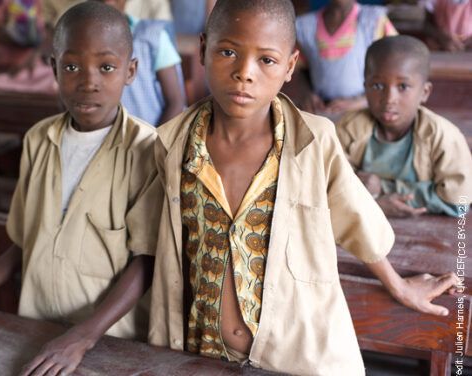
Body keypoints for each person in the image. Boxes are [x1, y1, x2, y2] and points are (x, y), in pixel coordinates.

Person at [148, 0, 459, 374]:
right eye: (228, 51)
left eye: (266, 60)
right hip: (200, 356)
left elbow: (356, 221)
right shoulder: (172, 146)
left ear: (290, 66)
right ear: (202, 50)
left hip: (293, 358)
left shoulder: (313, 142)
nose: (244, 73)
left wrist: (400, 286)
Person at [0, 3, 162, 376]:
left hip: (110, 342)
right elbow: (30, 233)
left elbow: (146, 261)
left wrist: (82, 337)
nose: (88, 81)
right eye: (72, 67)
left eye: (106, 67)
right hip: (39, 329)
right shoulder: (39, 140)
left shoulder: (147, 150)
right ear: (53, 68)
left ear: (130, 70)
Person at [336, 35, 472, 218]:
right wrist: (375, 205)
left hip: (427, 233)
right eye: (377, 85)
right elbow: (331, 185)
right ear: (365, 87)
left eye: (403, 87)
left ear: (424, 92)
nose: (389, 99)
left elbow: (460, 202)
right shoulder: (349, 129)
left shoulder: (443, 137)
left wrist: (382, 190)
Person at [294, 0, 397, 114]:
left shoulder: (374, 20)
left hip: (365, 109)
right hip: (323, 109)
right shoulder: (305, 26)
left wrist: (362, 100)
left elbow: (396, 64)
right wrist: (307, 94)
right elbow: (300, 68)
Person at [92, 0, 185, 127]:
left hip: (153, 136)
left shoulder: (152, 36)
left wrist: (154, 143)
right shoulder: (79, 38)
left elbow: (176, 103)